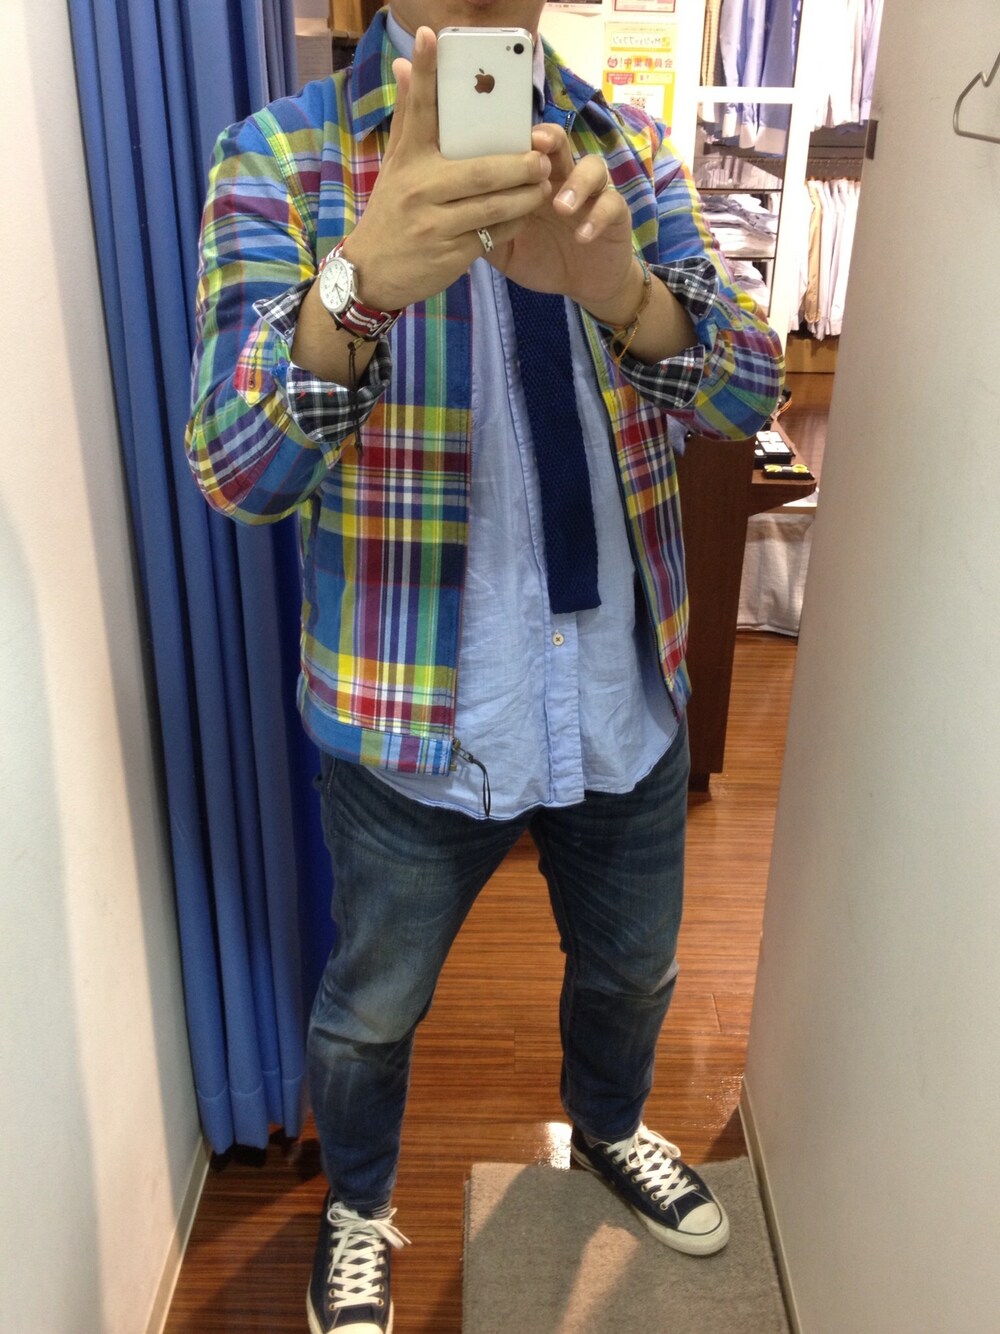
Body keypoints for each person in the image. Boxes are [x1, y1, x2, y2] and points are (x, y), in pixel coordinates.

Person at [186, 1, 783, 1329]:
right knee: (371, 1012)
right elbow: (234, 471)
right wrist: (358, 285)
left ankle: (610, 1126)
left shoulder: (624, 149)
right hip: (409, 723)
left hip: (620, 694)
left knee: (634, 973)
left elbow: (752, 391)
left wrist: (623, 294)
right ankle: (358, 1203)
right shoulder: (280, 156)